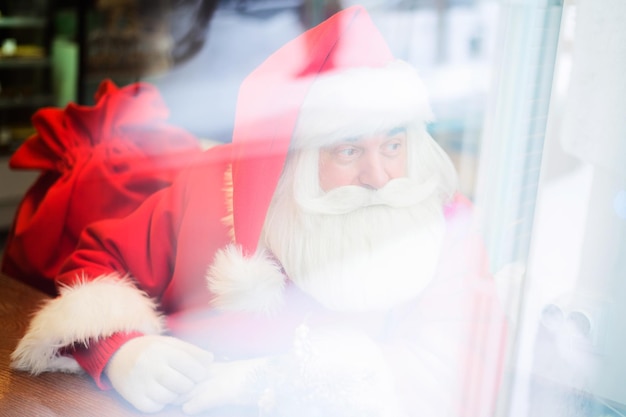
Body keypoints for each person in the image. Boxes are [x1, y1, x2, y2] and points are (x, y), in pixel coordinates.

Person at [11, 5, 506, 416]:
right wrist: (119, 351)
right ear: (297, 155)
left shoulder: (440, 226)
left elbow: (456, 371)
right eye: (348, 151)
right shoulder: (211, 188)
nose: (378, 177)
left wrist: (284, 383)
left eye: (393, 145)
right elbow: (94, 272)